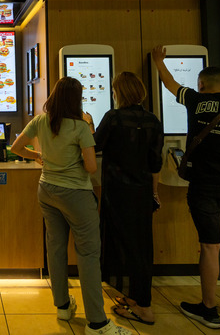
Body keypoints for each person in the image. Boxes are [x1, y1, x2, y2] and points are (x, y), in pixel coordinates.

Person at [11, 76, 131, 335]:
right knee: (88, 254)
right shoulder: (80, 127)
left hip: (46, 189)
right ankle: (98, 323)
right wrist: (88, 127)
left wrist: (39, 156)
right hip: (75, 193)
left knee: (55, 248)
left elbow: (16, 147)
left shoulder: (42, 120)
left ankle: (63, 306)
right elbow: (90, 167)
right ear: (77, 100)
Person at [151, 45, 220, 329]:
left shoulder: (196, 101)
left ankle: (209, 309)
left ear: (200, 85)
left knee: (210, 247)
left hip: (205, 186)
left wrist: (159, 61)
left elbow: (170, 83)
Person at [83, 72, 163, 326]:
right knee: (141, 247)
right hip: (141, 194)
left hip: (117, 193)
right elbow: (155, 163)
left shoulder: (114, 118)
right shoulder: (153, 121)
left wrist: (87, 125)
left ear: (120, 93)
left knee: (123, 247)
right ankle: (137, 298)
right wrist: (154, 193)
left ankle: (144, 308)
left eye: (115, 91)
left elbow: (94, 146)